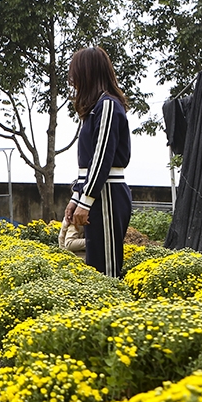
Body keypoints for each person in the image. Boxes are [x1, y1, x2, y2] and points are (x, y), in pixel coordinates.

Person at [64, 46, 132, 277]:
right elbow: (88, 164)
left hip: (108, 194)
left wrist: (86, 200)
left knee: (107, 269)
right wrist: (77, 198)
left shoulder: (108, 106)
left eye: (76, 73)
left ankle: (115, 311)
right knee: (95, 264)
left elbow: (103, 157)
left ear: (88, 73)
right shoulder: (95, 110)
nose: (73, 80)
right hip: (99, 193)